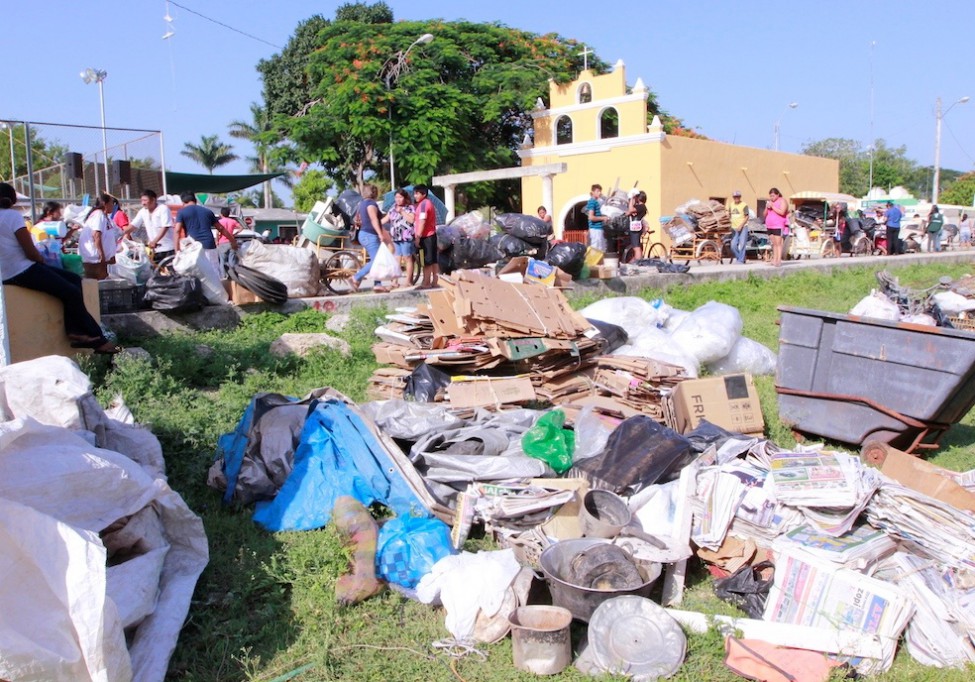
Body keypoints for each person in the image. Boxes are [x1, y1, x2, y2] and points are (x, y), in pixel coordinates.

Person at [0, 182, 119, 354]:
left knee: (74, 280)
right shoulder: (12, 216)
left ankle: (77, 332)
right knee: (70, 291)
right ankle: (95, 338)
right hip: (22, 269)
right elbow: (30, 251)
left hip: (7, 272)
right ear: (11, 200)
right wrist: (41, 259)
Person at [175, 192, 237, 272]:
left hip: (193, 247)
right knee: (214, 272)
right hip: (209, 245)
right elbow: (221, 228)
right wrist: (232, 241)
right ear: (195, 200)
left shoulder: (182, 212)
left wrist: (177, 250)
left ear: (183, 202)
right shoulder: (207, 211)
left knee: (196, 273)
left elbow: (177, 231)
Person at [351, 184, 394, 293]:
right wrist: (380, 233)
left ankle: (378, 284)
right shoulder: (371, 204)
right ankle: (356, 277)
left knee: (378, 259)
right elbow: (374, 219)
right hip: (370, 235)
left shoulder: (361, 204)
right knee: (376, 261)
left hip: (365, 234)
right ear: (374, 193)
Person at [78, 193, 119, 280]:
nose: (113, 205)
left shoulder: (103, 216)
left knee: (99, 283)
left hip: (99, 260)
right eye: (112, 203)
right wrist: (101, 256)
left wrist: (111, 255)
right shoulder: (98, 215)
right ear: (105, 204)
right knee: (96, 284)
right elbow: (96, 235)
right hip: (95, 259)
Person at [381, 189, 416, 287]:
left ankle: (408, 281)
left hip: (406, 237)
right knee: (396, 259)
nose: (398, 199)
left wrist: (402, 212)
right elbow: (386, 219)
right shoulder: (393, 208)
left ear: (405, 198)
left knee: (407, 257)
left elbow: (412, 220)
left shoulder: (410, 208)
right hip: (396, 237)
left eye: (400, 197)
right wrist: (375, 223)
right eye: (396, 197)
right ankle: (395, 281)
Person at [130, 188, 175, 263]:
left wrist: (154, 241)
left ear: (153, 200)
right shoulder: (143, 211)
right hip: (153, 250)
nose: (143, 203)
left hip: (167, 248)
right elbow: (133, 225)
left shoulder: (163, 209)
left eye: (145, 200)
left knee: (169, 272)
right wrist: (121, 233)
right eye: (142, 201)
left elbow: (165, 227)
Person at [413, 184, 440, 289]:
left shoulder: (424, 205)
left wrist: (418, 237)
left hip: (425, 237)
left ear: (423, 194)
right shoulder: (424, 204)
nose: (415, 196)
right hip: (431, 235)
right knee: (433, 260)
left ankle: (426, 283)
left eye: (417, 193)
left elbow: (422, 221)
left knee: (426, 261)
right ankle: (434, 281)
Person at [764, 187, 788, 267]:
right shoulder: (770, 202)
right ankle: (774, 259)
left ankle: (778, 260)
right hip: (770, 225)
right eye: (770, 196)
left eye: (773, 196)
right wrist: (767, 207)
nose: (772, 198)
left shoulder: (782, 201)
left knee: (778, 243)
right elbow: (764, 214)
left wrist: (773, 207)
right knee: (774, 243)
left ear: (777, 194)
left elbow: (782, 212)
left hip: (778, 225)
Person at [728, 190, 751, 264]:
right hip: (734, 228)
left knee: (742, 244)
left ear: (740, 197)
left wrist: (741, 225)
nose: (736, 198)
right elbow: (729, 215)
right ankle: (740, 257)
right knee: (733, 245)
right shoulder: (731, 205)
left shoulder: (744, 205)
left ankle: (740, 260)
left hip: (743, 227)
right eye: (735, 197)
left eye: (737, 197)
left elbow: (747, 216)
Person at [625, 191, 647, 261]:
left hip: (635, 229)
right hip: (634, 228)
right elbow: (628, 212)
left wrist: (632, 198)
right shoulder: (639, 207)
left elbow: (631, 209)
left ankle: (638, 263)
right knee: (636, 246)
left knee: (636, 247)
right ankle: (635, 261)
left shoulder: (642, 206)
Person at [585, 183, 608, 252]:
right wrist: (603, 218)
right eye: (597, 191)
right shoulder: (592, 202)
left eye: (600, 191)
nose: (599, 193)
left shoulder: (596, 202)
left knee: (600, 249)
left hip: (598, 228)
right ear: (593, 192)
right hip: (595, 229)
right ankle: (592, 262)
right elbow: (591, 217)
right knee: (595, 249)